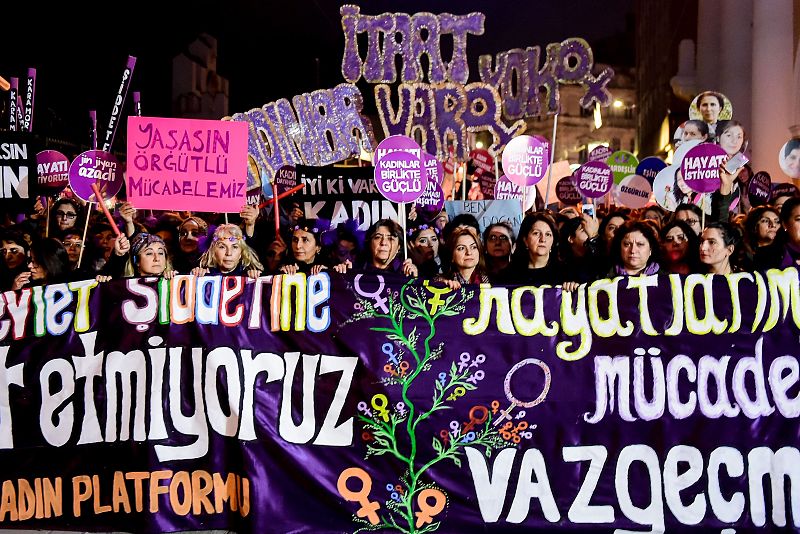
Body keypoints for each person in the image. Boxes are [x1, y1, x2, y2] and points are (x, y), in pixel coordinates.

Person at [500, 212, 569, 286]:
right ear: (525, 240)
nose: (543, 239)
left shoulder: (566, 274)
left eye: (548, 234)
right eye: (536, 233)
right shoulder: (509, 275)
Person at [336, 219, 418, 276]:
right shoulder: (355, 270)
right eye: (378, 237)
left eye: (390, 239)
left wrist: (414, 280)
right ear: (370, 243)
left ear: (398, 248)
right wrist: (340, 275)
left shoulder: (404, 273)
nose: (383, 243)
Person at [191, 224, 263, 278]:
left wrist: (256, 278)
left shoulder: (249, 276)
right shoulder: (205, 275)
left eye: (234, 247)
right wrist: (195, 275)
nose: (229, 253)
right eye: (222, 247)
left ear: (241, 252)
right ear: (213, 252)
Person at [104, 232, 178, 279]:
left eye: (160, 253)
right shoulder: (125, 285)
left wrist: (177, 279)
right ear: (137, 261)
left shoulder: (175, 280)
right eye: (149, 253)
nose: (157, 258)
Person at [742, 205, 784, 271]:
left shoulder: (785, 253)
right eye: (765, 221)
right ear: (754, 226)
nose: (773, 225)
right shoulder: (743, 253)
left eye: (777, 221)